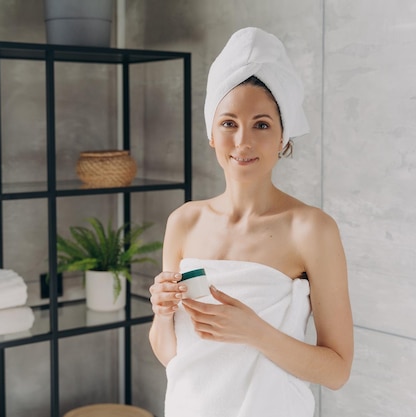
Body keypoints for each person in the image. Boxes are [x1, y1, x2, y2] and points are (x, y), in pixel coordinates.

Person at [148, 27, 353, 417]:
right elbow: (171, 355)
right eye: (228, 123)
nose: (242, 141)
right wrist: (162, 312)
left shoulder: (311, 229)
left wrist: (255, 332)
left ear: (283, 137)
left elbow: (337, 370)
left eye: (261, 124)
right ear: (211, 132)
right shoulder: (184, 222)